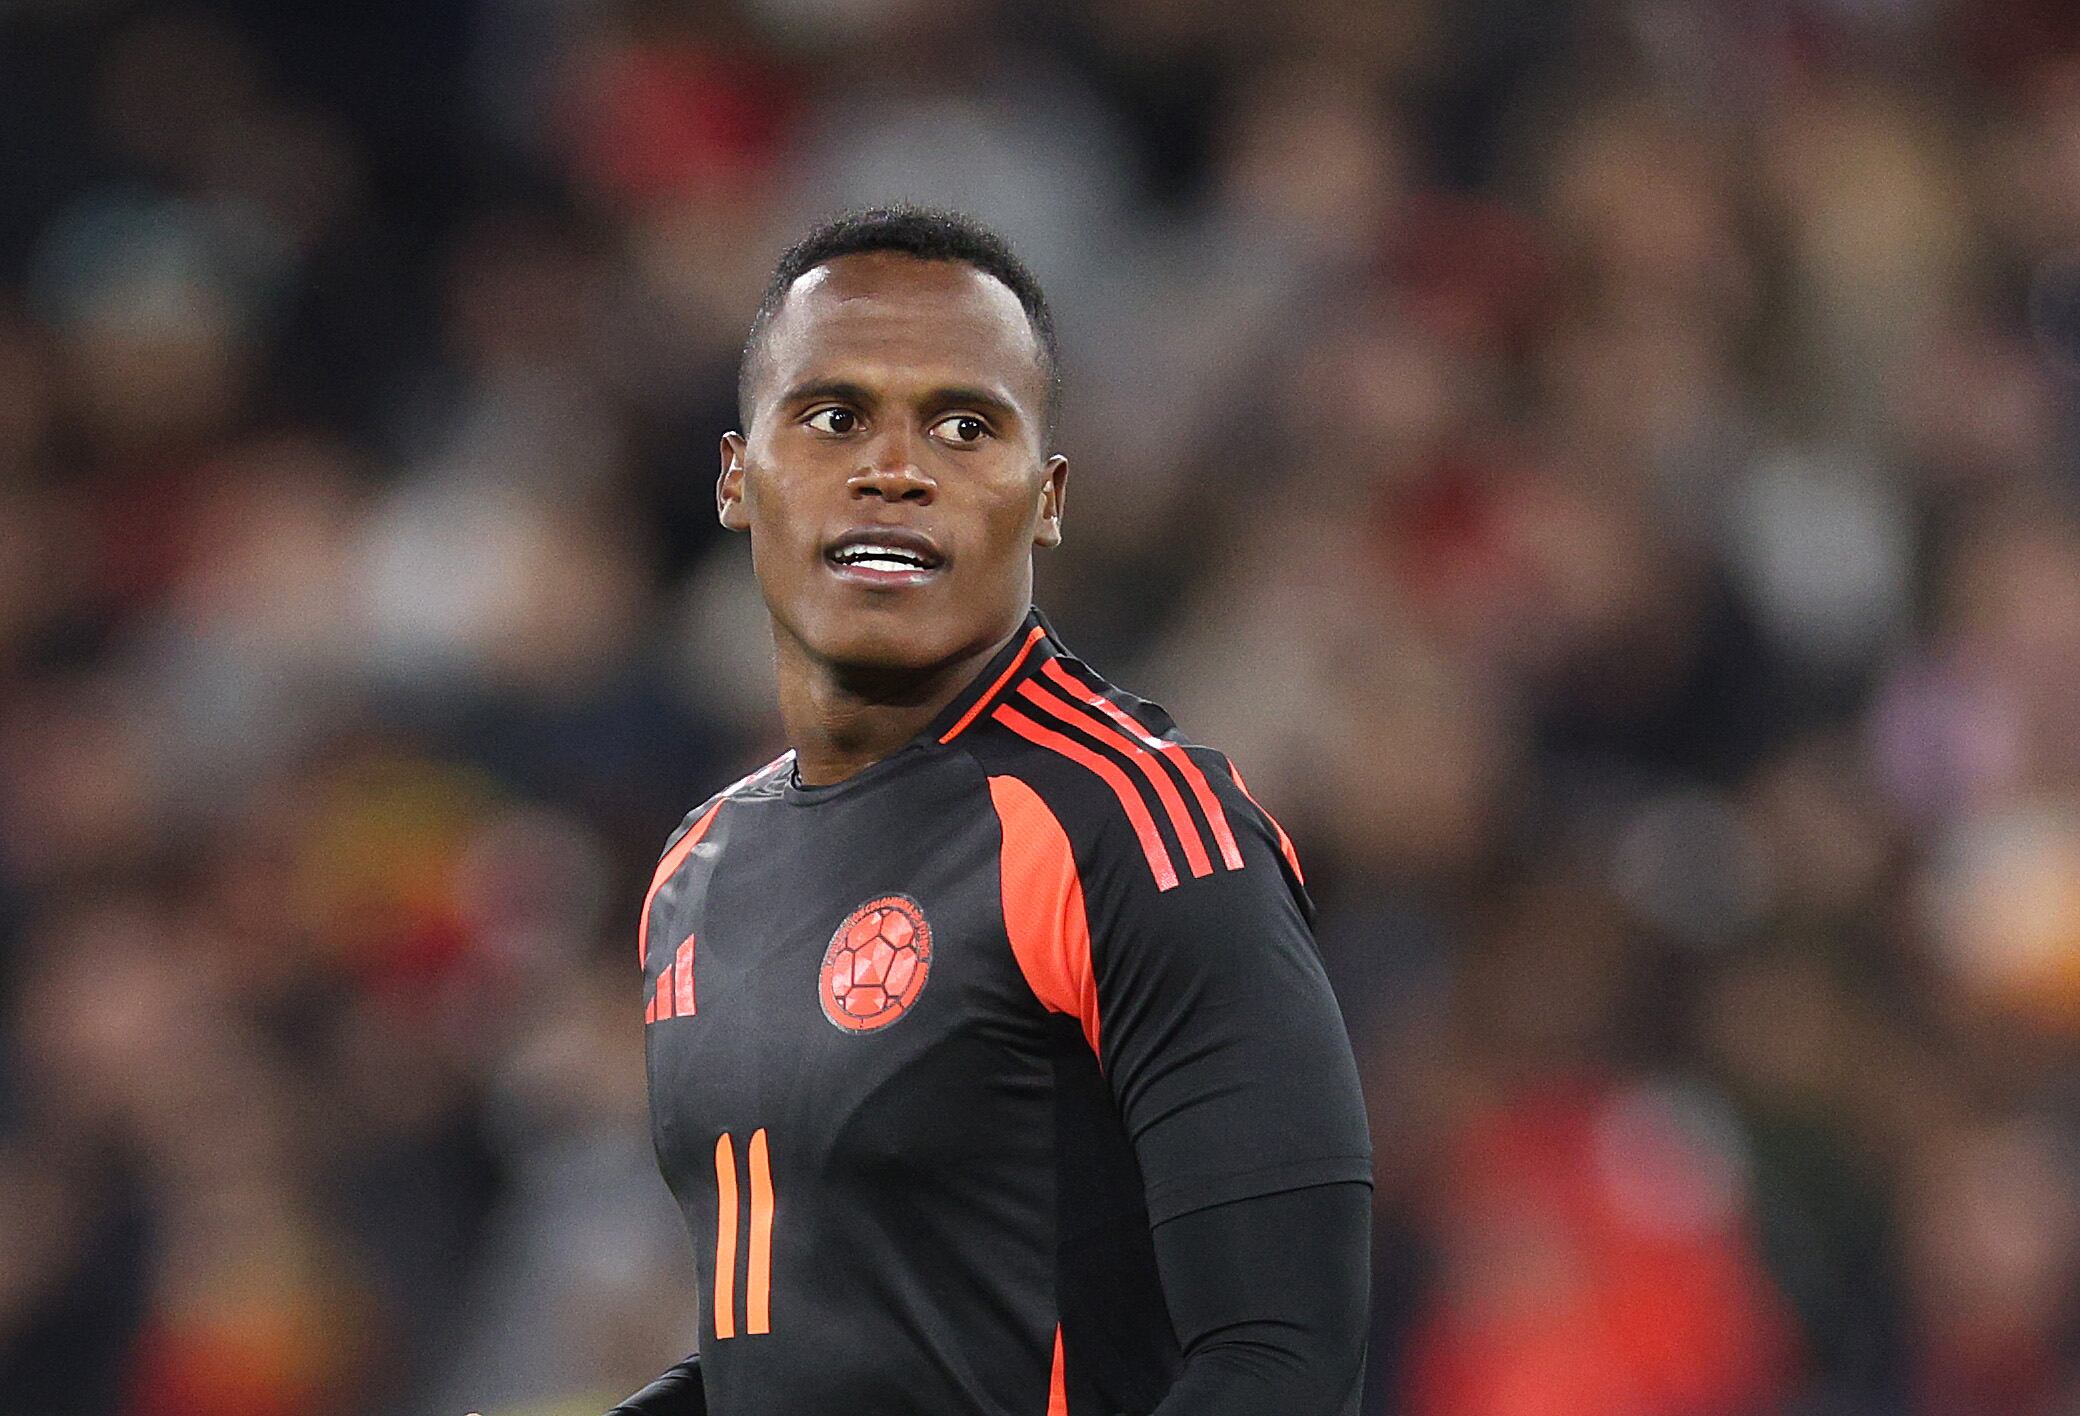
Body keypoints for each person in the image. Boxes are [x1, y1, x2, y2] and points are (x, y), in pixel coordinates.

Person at [613, 207, 1371, 1415]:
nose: (894, 469)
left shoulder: (1140, 829)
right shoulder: (699, 870)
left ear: (1048, 495)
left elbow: (1280, 1362)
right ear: (734, 478)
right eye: (834, 417)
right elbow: (811, 1355)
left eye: (965, 426)